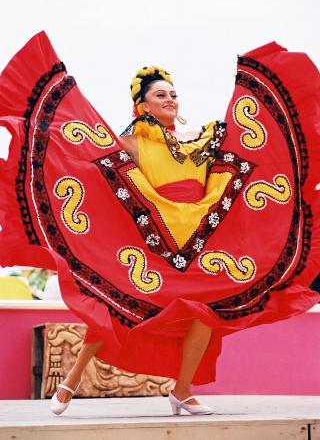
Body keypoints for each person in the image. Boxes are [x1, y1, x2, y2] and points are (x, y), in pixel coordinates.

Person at [0, 33, 319, 417]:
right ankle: (71, 379)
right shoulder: (135, 139)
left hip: (201, 242)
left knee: (208, 310)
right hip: (154, 242)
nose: (171, 100)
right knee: (120, 308)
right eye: (160, 95)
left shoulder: (200, 140)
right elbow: (90, 159)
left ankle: (181, 392)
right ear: (142, 104)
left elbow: (247, 151)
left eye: (173, 94)